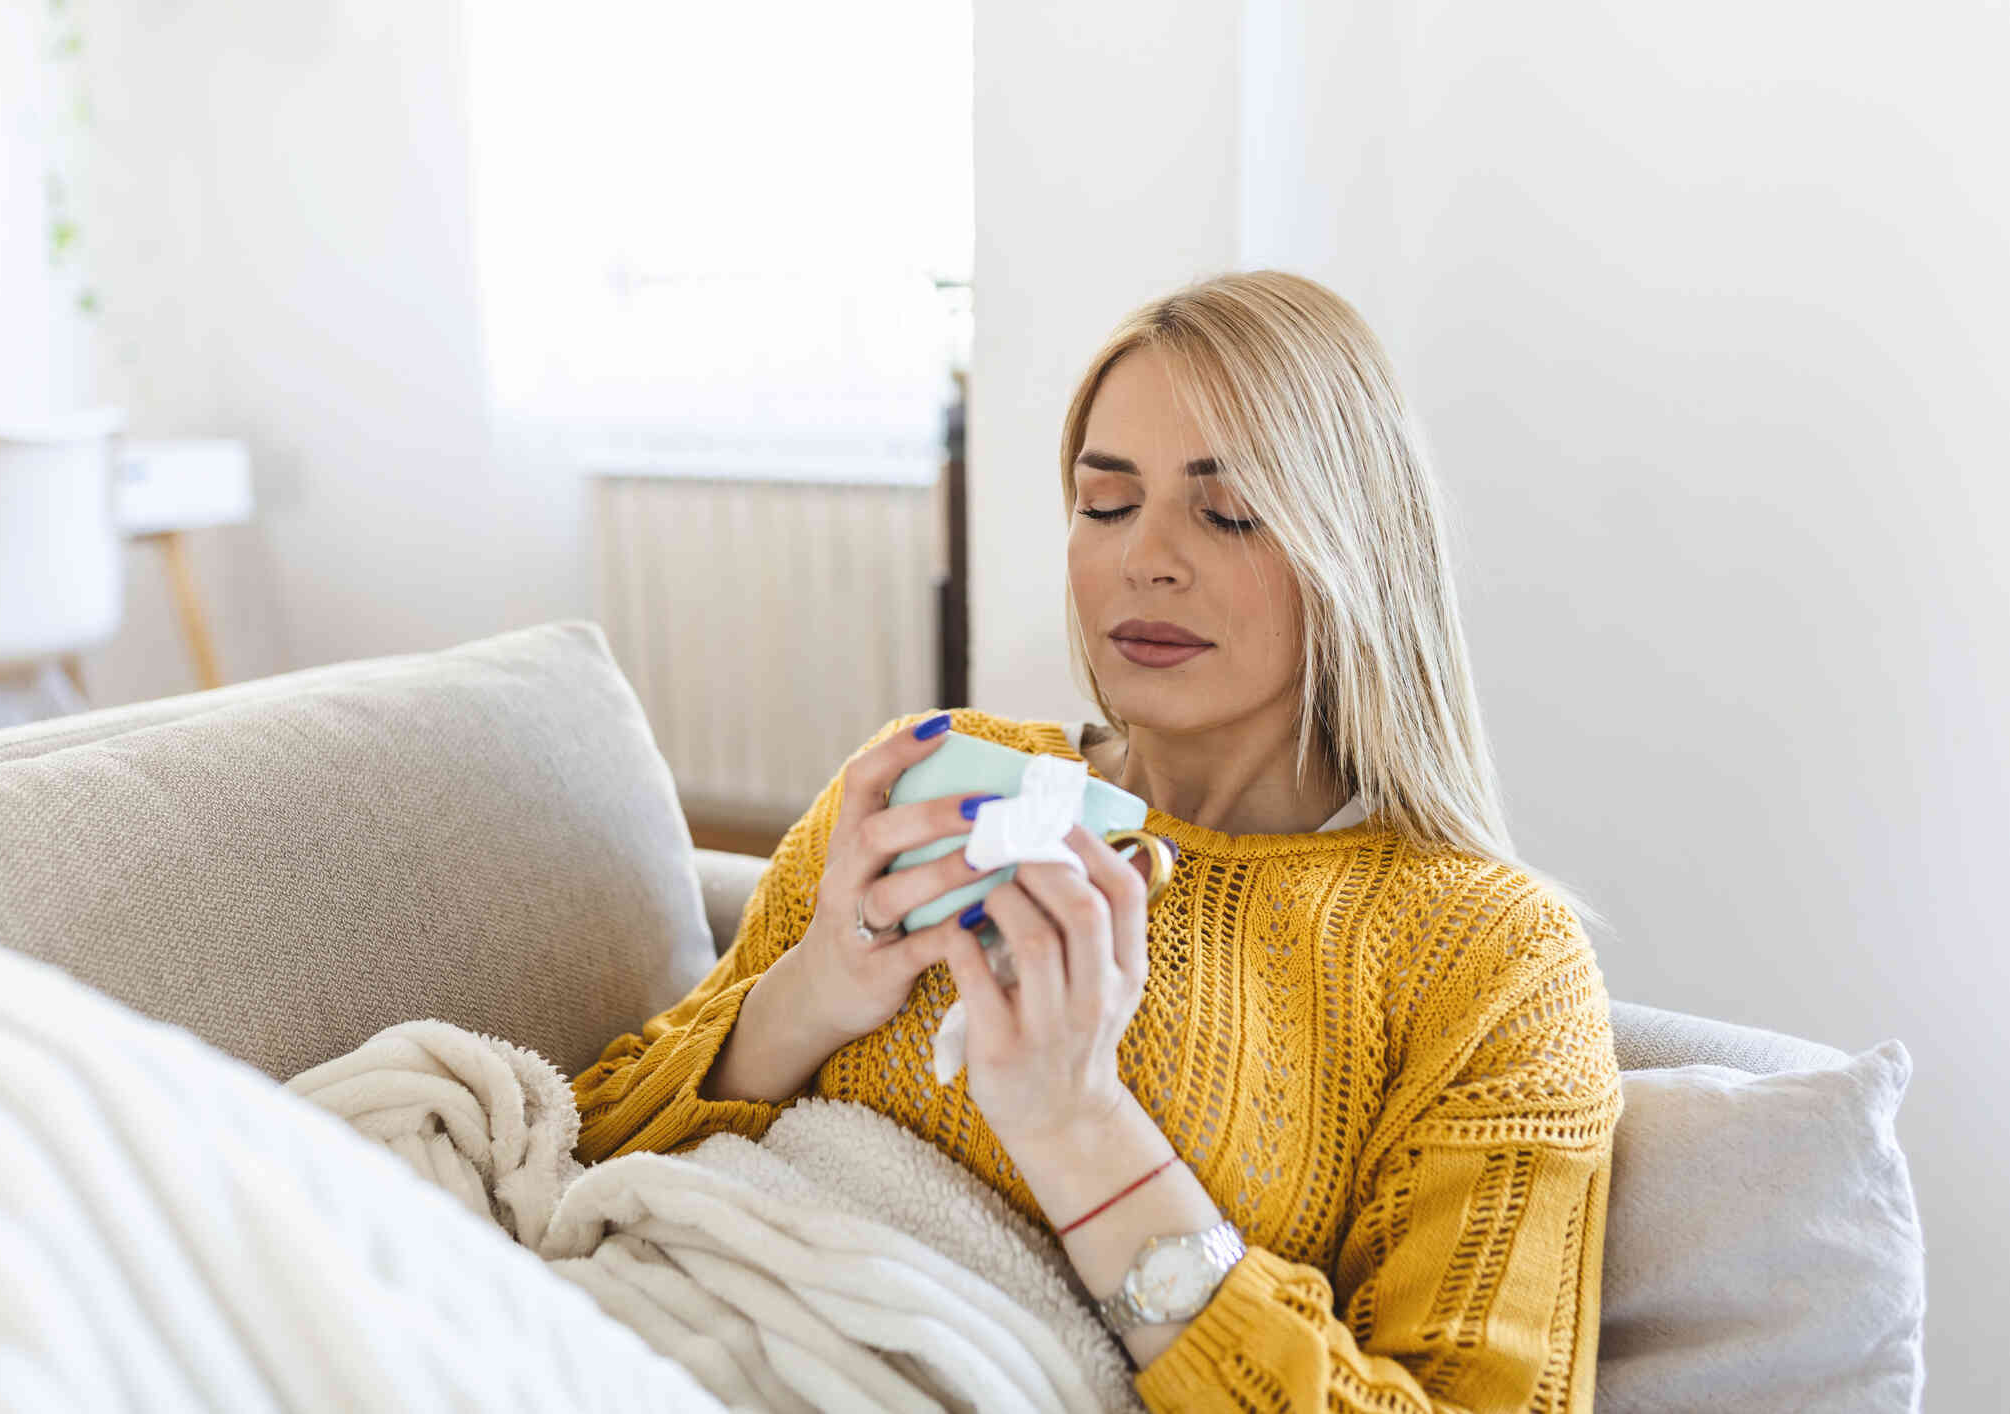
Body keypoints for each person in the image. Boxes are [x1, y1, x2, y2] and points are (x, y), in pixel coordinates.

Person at [572, 270, 1623, 1413]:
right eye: (1106, 504)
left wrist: (1077, 1124)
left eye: (1228, 512)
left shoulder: (1493, 960)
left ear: (1359, 550)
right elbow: (588, 1153)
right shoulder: (934, 781)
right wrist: (816, 986)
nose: (1145, 559)